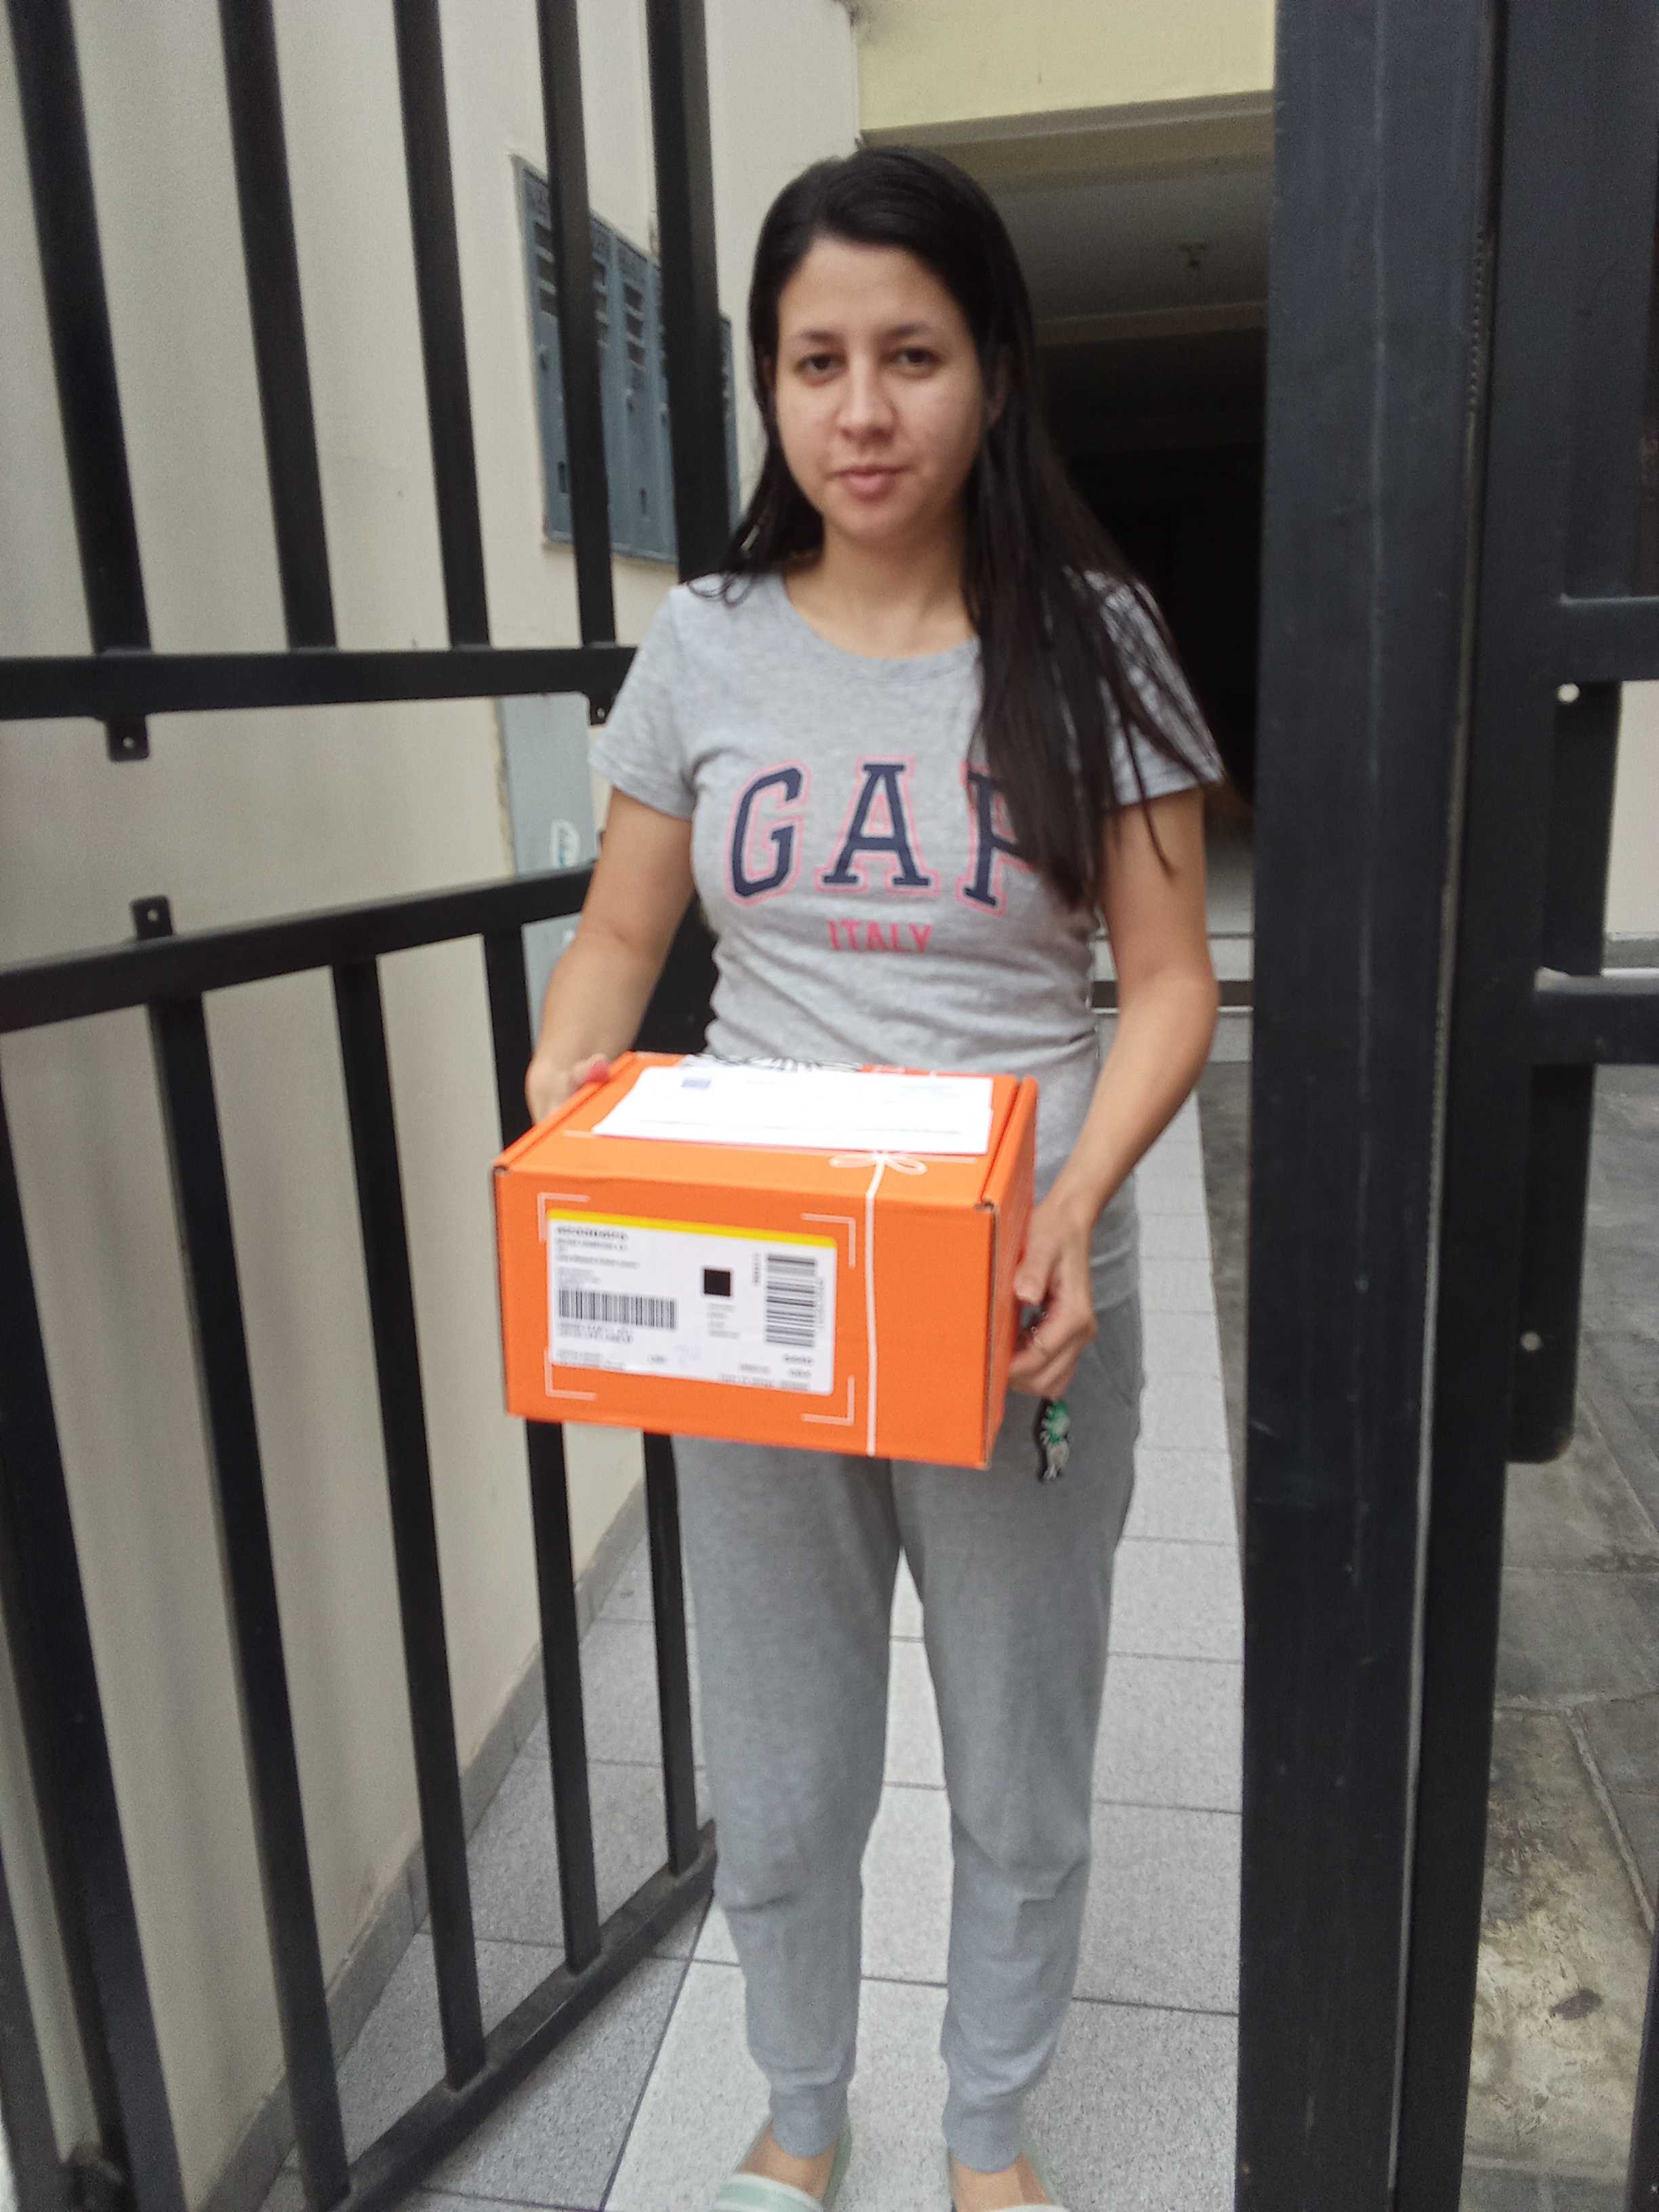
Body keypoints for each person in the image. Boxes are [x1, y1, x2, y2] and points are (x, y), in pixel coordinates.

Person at [525, 147, 1224, 2212]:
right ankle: (801, 2110)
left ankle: (988, 2134)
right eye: (813, 361)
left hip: (1017, 1293)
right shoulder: (712, 643)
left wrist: (1072, 1207)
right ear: (766, 382)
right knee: (785, 1760)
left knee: (1019, 1754)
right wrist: (570, 1072)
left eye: (910, 356)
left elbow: (1171, 984)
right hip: (763, 1293)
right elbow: (622, 937)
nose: (861, 410)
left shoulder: (1095, 640)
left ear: (991, 368)